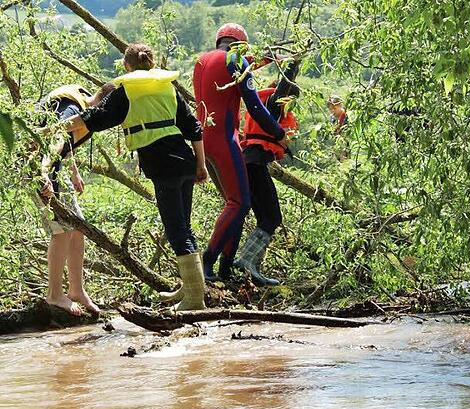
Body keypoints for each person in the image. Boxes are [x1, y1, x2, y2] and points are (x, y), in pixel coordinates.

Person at [50, 43, 209, 311]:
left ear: (126, 66)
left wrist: (53, 128)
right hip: (185, 161)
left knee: (177, 230)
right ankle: (191, 287)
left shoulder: (128, 91)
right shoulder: (166, 87)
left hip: (163, 165)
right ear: (152, 62)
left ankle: (195, 298)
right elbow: (193, 127)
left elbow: (92, 118)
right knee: (185, 226)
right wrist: (201, 166)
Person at [192, 23, 289, 284]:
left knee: (235, 205)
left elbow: (241, 65)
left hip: (203, 139)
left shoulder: (203, 61)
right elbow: (255, 106)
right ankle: (208, 262)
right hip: (225, 138)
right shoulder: (235, 61)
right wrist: (279, 133)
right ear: (241, 45)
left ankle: (224, 271)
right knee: (240, 203)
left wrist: (272, 56)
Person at [34, 83, 115, 315]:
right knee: (62, 230)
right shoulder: (72, 109)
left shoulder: (82, 107)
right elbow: (57, 138)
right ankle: (54, 295)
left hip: (54, 168)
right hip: (38, 167)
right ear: (103, 105)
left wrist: (74, 172)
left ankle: (76, 290)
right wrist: (43, 173)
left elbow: (66, 147)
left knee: (78, 228)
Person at [235, 57, 302, 286]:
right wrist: (295, 63)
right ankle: (245, 261)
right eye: (292, 101)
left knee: (266, 217)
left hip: (249, 164)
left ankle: (248, 264)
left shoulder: (266, 106)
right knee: (272, 217)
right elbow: (284, 85)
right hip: (253, 164)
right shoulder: (272, 104)